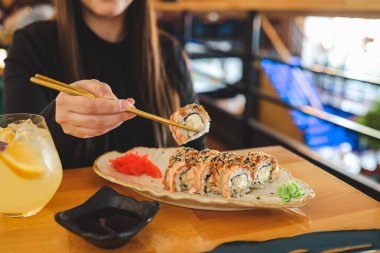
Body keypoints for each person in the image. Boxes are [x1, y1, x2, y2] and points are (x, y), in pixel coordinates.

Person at [4, 0, 204, 168]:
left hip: (165, 213)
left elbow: (197, 153)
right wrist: (55, 124)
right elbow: (14, 157)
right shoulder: (32, 44)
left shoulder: (169, 52)